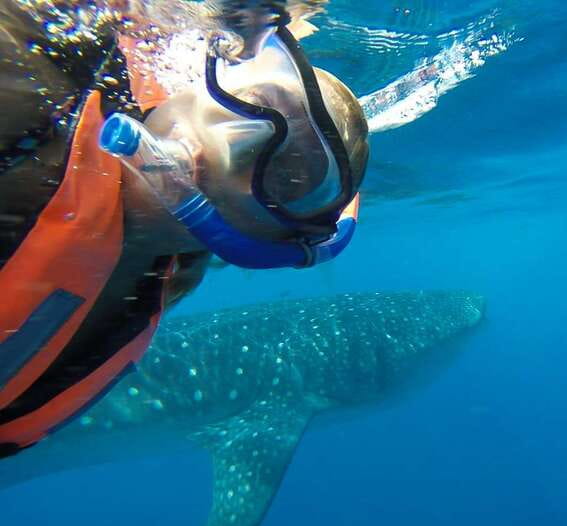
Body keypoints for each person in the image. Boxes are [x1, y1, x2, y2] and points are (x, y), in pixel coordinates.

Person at [0, 0, 368, 457]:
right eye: (252, 107)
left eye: (281, 176)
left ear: (260, 242)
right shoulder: (34, 81)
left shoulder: (155, 283)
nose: (235, 144)